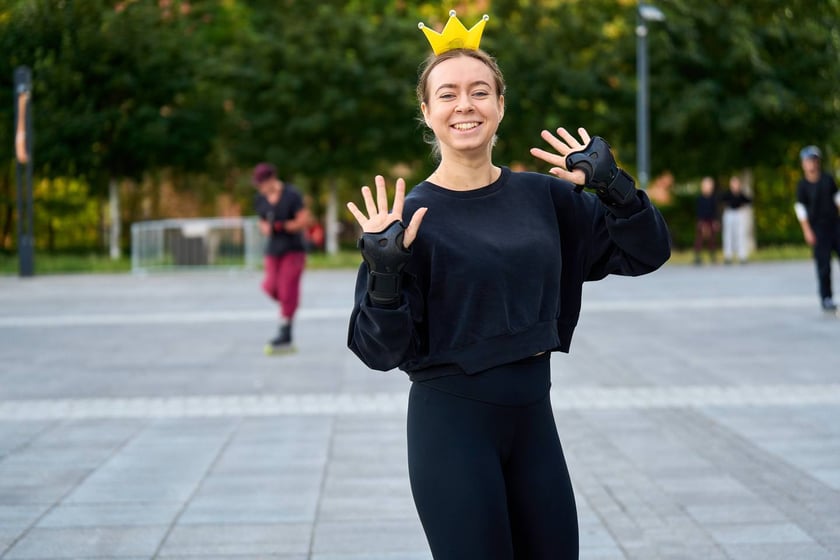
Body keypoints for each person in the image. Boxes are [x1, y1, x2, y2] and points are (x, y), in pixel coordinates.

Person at [346, 11, 671, 560]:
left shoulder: (547, 199)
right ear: (427, 112)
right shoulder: (409, 219)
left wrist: (615, 186)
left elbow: (648, 252)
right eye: (447, 94)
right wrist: (384, 272)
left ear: (500, 106)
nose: (465, 105)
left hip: (533, 421)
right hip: (450, 428)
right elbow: (379, 352)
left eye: (479, 91)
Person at [252, 162, 311, 352]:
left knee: (287, 290)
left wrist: (283, 226)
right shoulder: (260, 200)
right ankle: (289, 303)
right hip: (273, 250)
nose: (261, 187)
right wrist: (266, 229)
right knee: (270, 287)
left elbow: (304, 220)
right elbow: (261, 222)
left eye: (263, 183)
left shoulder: (291, 194)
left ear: (271, 179)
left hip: (293, 249)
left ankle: (285, 332)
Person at [795, 145, 840, 312]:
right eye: (808, 161)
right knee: (824, 264)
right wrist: (807, 230)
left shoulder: (828, 179)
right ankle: (826, 298)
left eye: (814, 160)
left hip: (835, 225)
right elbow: (800, 210)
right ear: (803, 164)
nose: (811, 164)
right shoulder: (802, 186)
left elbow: (838, 200)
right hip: (818, 229)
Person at [720, 174, 752, 264]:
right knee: (728, 235)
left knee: (741, 235)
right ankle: (728, 256)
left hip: (739, 214)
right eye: (733, 183)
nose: (735, 185)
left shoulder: (741, 194)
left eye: (736, 183)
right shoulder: (727, 193)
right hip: (729, 213)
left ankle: (742, 255)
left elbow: (749, 200)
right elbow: (721, 200)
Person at [693, 176, 720, 265]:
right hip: (702, 220)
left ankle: (712, 255)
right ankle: (697, 257)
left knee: (712, 238)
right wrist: (700, 222)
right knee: (699, 239)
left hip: (711, 220)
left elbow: (715, 210)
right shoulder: (700, 198)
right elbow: (699, 210)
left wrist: (716, 221)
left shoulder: (713, 198)